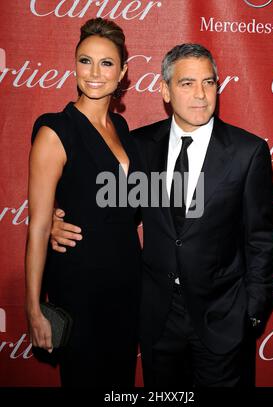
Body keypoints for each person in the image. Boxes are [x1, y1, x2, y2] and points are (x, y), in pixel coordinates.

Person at [51, 43, 273, 387]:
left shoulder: (247, 152)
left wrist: (251, 313)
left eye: (209, 82)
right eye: (187, 83)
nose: (201, 94)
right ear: (165, 90)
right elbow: (113, 210)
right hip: (158, 320)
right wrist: (57, 222)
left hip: (223, 319)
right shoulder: (140, 146)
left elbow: (261, 237)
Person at [25, 18, 142, 387]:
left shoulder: (122, 130)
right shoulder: (54, 130)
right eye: (85, 61)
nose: (94, 73)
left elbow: (129, 207)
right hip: (80, 284)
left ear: (122, 72)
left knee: (119, 383)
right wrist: (32, 308)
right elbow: (39, 226)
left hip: (126, 282)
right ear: (73, 65)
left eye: (106, 63)